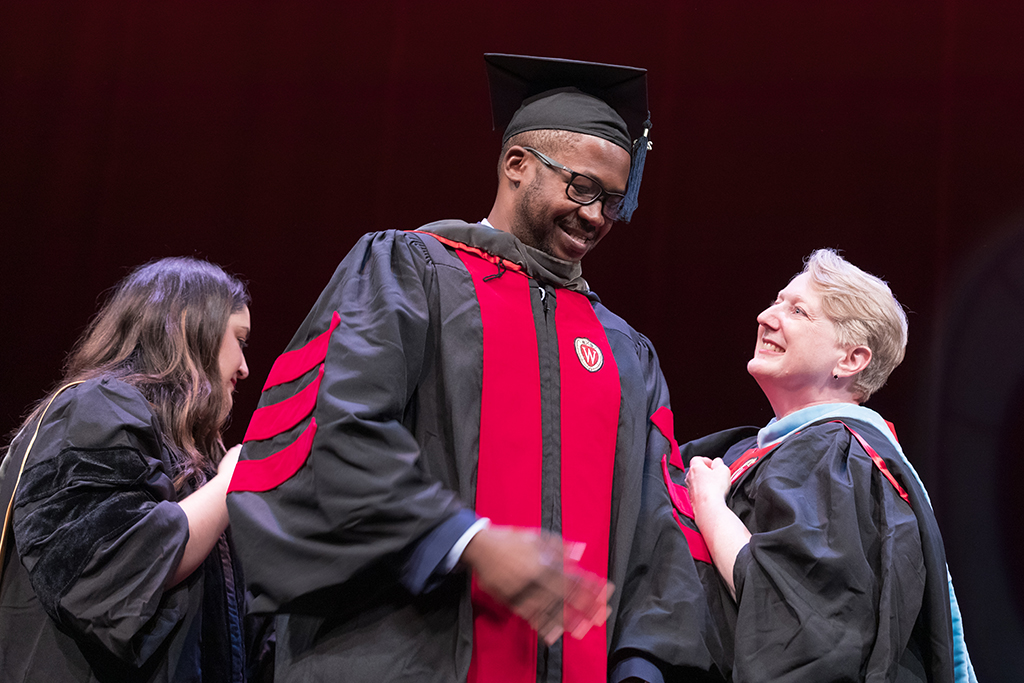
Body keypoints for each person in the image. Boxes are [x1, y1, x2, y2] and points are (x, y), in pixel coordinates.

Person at [226, 54, 717, 683]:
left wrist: (643, 668)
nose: (597, 216)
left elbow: (658, 531)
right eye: (582, 188)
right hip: (401, 658)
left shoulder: (625, 352)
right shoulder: (410, 272)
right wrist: (466, 541)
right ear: (516, 166)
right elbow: (333, 430)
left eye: (613, 201)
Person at [677, 249, 975, 682]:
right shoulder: (778, 447)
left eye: (797, 310)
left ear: (850, 361)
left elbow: (796, 619)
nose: (766, 316)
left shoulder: (836, 454)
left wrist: (710, 507)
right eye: (777, 301)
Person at [0, 257, 264, 682]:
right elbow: (108, 566)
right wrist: (232, 481)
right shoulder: (96, 408)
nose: (245, 367)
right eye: (239, 339)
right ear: (188, 328)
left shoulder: (191, 455)